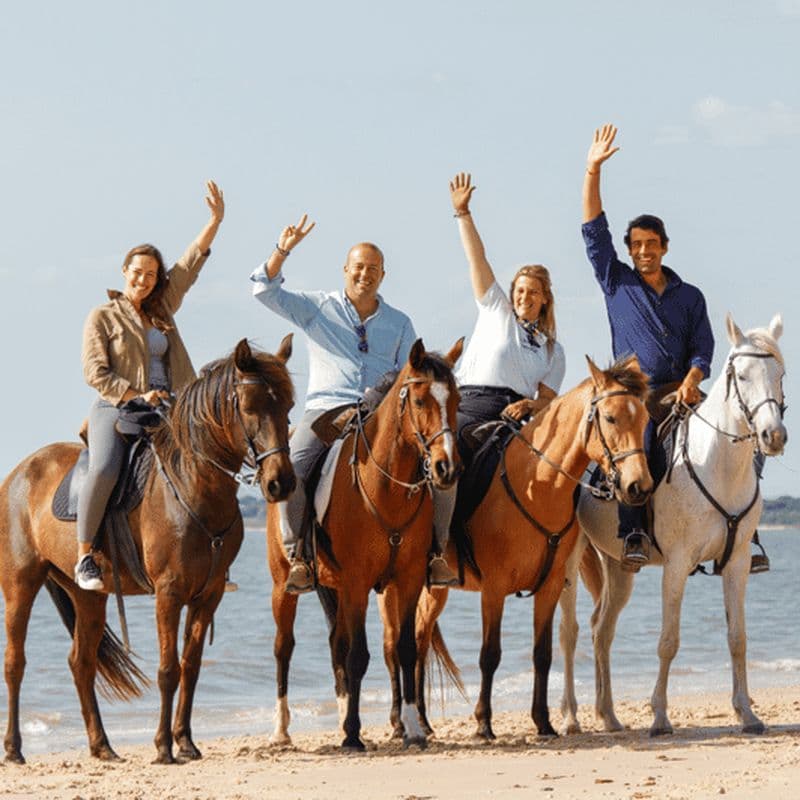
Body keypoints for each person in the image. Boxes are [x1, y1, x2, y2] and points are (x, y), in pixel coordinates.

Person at [250, 219, 459, 592]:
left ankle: (436, 555)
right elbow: (263, 290)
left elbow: (408, 372)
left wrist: (376, 401)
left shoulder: (399, 322)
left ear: (383, 275)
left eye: (373, 269)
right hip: (326, 411)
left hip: (382, 413)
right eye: (359, 267)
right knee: (292, 470)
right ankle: (299, 556)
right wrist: (282, 250)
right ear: (346, 270)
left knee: (443, 468)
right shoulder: (317, 308)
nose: (366, 274)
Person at [76, 180, 225, 590]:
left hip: (172, 408)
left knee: (213, 464)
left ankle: (211, 560)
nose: (143, 280)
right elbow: (94, 372)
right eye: (137, 273)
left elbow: (190, 263)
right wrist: (135, 395)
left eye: (151, 275)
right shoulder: (102, 316)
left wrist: (215, 221)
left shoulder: (163, 309)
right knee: (105, 467)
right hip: (117, 407)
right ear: (125, 272)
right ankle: (85, 555)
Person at [581, 124, 714, 568]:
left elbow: (703, 346)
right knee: (638, 448)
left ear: (665, 247)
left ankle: (740, 534)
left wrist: (694, 380)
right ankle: (633, 531)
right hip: (638, 394)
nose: (644, 251)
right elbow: (593, 231)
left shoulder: (690, 295)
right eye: (636, 245)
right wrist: (592, 169)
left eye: (651, 244)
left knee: (739, 431)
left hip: (684, 387)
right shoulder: (615, 281)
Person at [434, 172, 566, 555]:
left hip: (516, 415)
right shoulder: (496, 311)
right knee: (446, 454)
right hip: (471, 403)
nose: (524, 297)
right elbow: (478, 257)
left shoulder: (553, 350)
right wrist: (463, 214)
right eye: (520, 290)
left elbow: (549, 402)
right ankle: (438, 542)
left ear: (544, 300)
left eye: (533, 292)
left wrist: (529, 405)